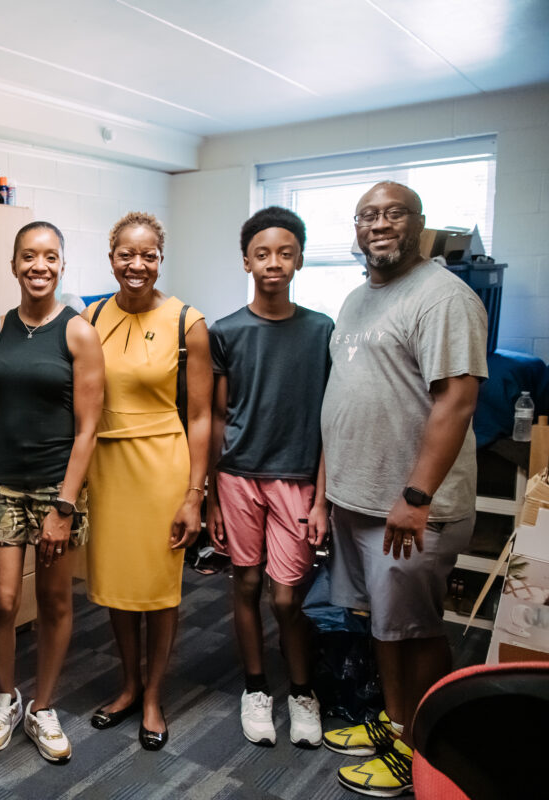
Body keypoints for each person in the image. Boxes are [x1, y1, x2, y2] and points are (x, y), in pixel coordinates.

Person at [320, 182, 487, 797]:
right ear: (356, 229)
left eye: (394, 214)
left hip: (411, 508)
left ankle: (424, 752)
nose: (379, 224)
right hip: (359, 499)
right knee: (383, 627)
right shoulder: (358, 297)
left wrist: (415, 498)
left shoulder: (444, 297)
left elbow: (458, 399)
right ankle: (394, 729)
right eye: (368, 215)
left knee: (416, 631)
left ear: (419, 223)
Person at [207, 207, 333, 748]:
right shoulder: (226, 331)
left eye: (284, 253)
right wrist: (210, 494)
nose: (273, 263)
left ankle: (302, 691)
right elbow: (214, 417)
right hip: (237, 477)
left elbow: (333, 422)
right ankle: (256, 686)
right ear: (246, 262)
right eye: (262, 254)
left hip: (297, 480)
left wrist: (323, 499)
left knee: (287, 598)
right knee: (247, 583)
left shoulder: (322, 330)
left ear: (299, 258)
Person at [85, 211, 212, 751]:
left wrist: (195, 494)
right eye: (126, 254)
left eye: (148, 255)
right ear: (111, 256)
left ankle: (155, 695)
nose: (136, 265)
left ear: (161, 259)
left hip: (164, 464)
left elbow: (203, 416)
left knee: (159, 590)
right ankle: (128, 684)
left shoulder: (188, 321)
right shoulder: (89, 318)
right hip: (108, 468)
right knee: (118, 585)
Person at [0, 221, 103, 763]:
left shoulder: (77, 332)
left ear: (61, 265)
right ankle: (5, 696)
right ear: (13, 264)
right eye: (28, 256)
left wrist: (64, 505)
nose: (39, 266)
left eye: (50, 257)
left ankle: (43, 706)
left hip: (57, 487)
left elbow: (88, 428)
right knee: (3, 600)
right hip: (3, 485)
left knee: (53, 601)